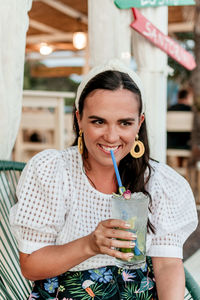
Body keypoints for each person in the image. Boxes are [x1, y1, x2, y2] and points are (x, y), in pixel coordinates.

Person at [10, 59, 198, 300]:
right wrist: (90, 245)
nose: (111, 136)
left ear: (139, 124)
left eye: (124, 123)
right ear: (79, 119)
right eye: (98, 121)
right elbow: (30, 266)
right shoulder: (52, 172)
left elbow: (167, 266)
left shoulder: (160, 182)